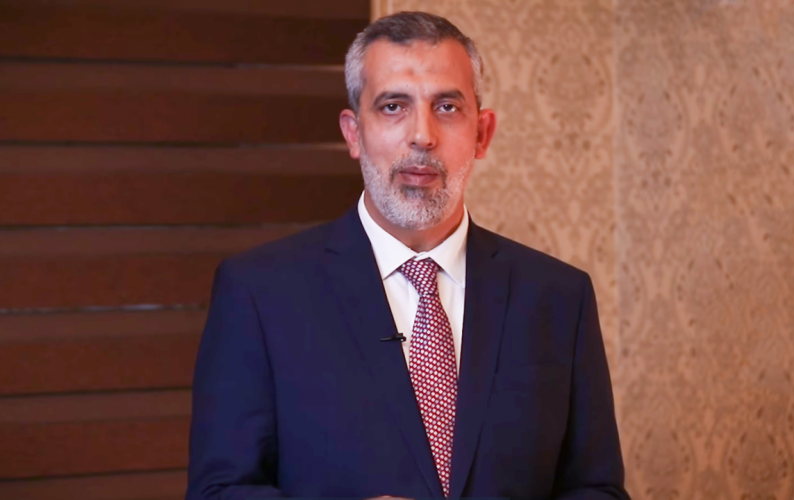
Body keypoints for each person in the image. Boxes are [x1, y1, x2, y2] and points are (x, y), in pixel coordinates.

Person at [186, 11, 629, 500]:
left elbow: (597, 489)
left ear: (482, 134)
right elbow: (219, 491)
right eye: (393, 106)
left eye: (447, 107)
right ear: (353, 133)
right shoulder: (259, 293)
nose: (422, 135)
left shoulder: (559, 297)